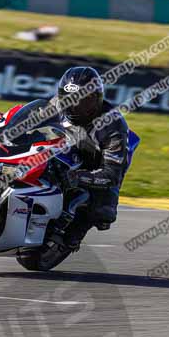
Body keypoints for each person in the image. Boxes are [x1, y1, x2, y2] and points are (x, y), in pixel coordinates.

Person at [51, 66, 138, 250]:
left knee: (102, 210)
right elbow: (31, 120)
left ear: (97, 99)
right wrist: (4, 121)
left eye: (83, 101)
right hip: (61, 155)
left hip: (94, 168)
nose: (74, 106)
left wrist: (79, 177)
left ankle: (74, 235)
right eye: (69, 100)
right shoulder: (55, 105)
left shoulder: (112, 126)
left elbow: (111, 174)